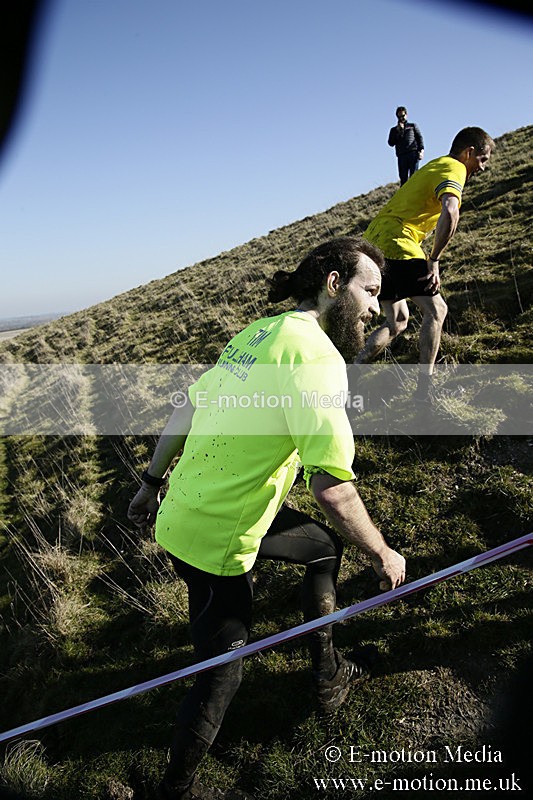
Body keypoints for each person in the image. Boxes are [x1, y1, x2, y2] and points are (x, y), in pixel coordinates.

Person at [128, 237, 406, 800]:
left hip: (185, 506)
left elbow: (187, 407)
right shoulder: (315, 358)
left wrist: (150, 483)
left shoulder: (260, 333)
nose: (376, 305)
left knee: (323, 548)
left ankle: (328, 676)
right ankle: (172, 790)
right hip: (211, 538)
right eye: (370, 291)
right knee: (222, 670)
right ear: (334, 284)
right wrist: (382, 551)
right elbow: (332, 486)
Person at [356, 126, 495, 402]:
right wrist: (434, 260)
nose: (482, 168)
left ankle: (353, 368)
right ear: (469, 153)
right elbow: (450, 213)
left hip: (373, 241)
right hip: (397, 241)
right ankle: (424, 391)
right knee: (437, 310)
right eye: (482, 160)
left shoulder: (434, 165)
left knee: (397, 321)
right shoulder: (454, 168)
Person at [388, 106, 425, 185]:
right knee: (403, 178)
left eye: (403, 116)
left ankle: (414, 194)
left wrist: (421, 151)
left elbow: (419, 138)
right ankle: (405, 195)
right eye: (399, 116)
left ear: (406, 115)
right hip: (401, 155)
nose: (401, 118)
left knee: (414, 177)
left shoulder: (412, 126)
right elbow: (391, 143)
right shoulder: (393, 130)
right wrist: (398, 131)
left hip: (413, 153)